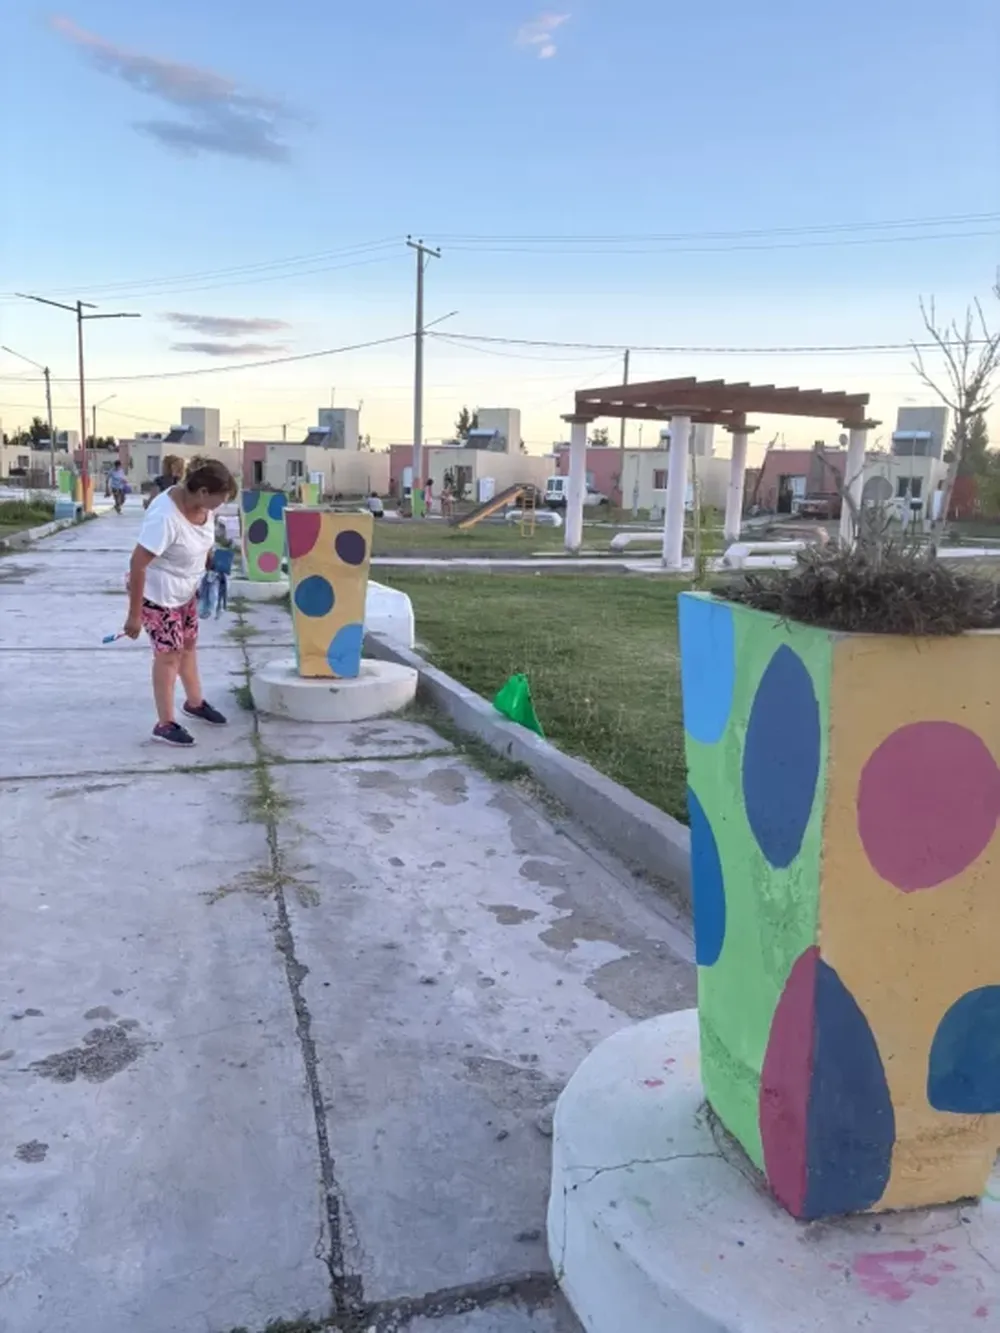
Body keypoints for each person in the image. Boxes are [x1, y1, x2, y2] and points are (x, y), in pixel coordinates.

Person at [124, 457, 238, 746]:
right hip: (157, 594)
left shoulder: (204, 509)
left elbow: (202, 540)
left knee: (187, 646)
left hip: (186, 591)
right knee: (168, 655)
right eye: (218, 499)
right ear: (202, 492)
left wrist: (211, 560)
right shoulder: (165, 517)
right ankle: (164, 724)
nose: (219, 506)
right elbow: (138, 564)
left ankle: (195, 703)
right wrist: (134, 616)